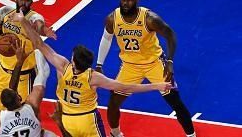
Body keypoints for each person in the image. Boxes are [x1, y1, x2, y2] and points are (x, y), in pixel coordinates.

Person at [9, 10, 172, 137]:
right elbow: (126, 86)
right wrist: (157, 85)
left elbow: (38, 42)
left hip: (67, 119)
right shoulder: (93, 77)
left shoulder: (63, 66)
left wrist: (23, 20)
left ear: (73, 60)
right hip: (87, 120)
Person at [95, 0, 196, 137]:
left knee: (174, 100)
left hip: (154, 63)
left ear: (136, 1)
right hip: (129, 66)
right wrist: (99, 64)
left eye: (129, 0)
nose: (125, 3)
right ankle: (115, 134)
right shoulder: (112, 18)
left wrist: (169, 61)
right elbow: (106, 38)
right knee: (114, 102)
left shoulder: (149, 18)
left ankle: (191, 135)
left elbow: (170, 35)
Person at [0, 0, 56, 110]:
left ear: (31, 3)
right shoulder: (6, 12)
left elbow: (39, 26)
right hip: (3, 72)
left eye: (27, 0)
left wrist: (45, 31)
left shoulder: (33, 17)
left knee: (23, 113)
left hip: (24, 75)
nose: (23, 3)